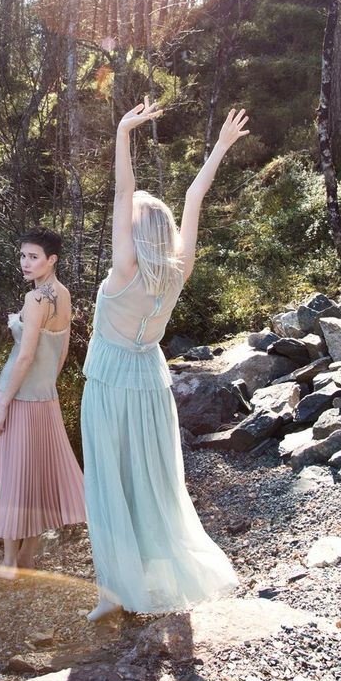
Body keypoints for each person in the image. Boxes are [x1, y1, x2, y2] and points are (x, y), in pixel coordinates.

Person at [81, 99, 249, 620]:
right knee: (153, 483)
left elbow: (123, 191)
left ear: (135, 231)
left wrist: (122, 134)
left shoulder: (124, 268)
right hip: (151, 382)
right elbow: (195, 196)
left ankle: (115, 591)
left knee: (111, 481)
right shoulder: (178, 268)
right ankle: (148, 579)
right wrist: (220, 146)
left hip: (109, 381)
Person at [0, 227, 85, 573]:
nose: (25, 262)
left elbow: (25, 356)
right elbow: (62, 350)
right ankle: (26, 555)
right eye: (22, 255)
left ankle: (8, 561)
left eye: (34, 257)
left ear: (52, 259)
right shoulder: (63, 294)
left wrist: (3, 402)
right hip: (44, 396)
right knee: (34, 475)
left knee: (14, 476)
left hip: (18, 395)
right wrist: (47, 384)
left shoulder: (35, 300)